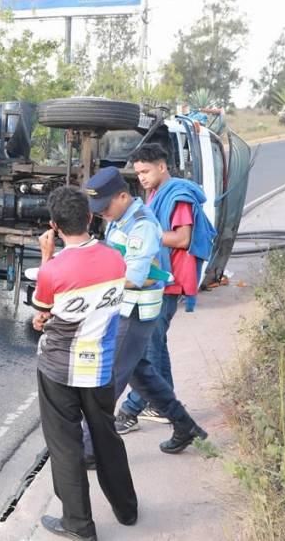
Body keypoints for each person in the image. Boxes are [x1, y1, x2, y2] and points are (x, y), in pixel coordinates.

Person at [32, 186, 137, 541]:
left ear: (54, 226)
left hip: (59, 369)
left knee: (66, 446)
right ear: (90, 218)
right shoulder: (116, 259)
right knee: (105, 436)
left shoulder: (54, 269)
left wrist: (47, 255)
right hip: (101, 367)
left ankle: (78, 525)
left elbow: (43, 309)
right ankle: (126, 508)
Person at [82, 167, 208, 455]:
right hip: (122, 309)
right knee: (141, 374)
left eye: (105, 207)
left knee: (109, 378)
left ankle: (87, 450)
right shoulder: (120, 218)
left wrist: (90, 281)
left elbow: (133, 276)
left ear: (123, 196)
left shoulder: (141, 225)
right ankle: (185, 426)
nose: (103, 214)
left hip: (136, 312)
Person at [117, 143, 218, 429]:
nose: (142, 178)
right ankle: (168, 408)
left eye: (146, 171)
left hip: (168, 281)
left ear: (162, 166)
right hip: (158, 281)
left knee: (145, 350)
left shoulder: (179, 196)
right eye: (138, 173)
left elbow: (182, 239)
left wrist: (143, 236)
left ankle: (130, 410)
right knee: (154, 346)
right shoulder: (154, 195)